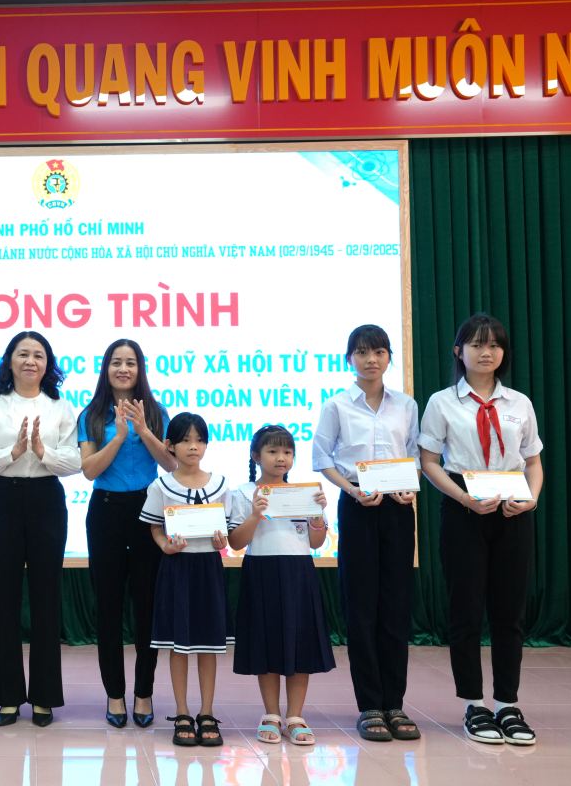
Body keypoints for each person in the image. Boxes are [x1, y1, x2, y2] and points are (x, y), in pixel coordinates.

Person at [419, 313, 543, 746]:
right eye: (476, 344)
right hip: (464, 510)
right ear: (459, 351)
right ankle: (474, 704)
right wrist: (464, 498)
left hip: (513, 510)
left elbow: (533, 461)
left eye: (493, 345)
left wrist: (532, 498)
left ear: (503, 352)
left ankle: (507, 703)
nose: (485, 352)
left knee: (510, 613)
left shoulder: (519, 403)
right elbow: (429, 461)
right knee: (466, 610)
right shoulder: (441, 402)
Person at [312, 324, 421, 742]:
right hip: (358, 506)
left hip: (398, 509)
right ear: (349, 359)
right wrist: (351, 489)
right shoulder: (337, 405)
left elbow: (415, 455)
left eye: (378, 351)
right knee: (361, 607)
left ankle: (395, 703)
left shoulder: (406, 405)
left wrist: (409, 486)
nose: (371, 359)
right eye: (362, 352)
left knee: (396, 605)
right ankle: (370, 705)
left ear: (389, 356)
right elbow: (322, 457)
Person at [0, 330, 81, 727]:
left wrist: (42, 452)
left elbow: (75, 462)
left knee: (46, 597)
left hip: (46, 499)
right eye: (23, 354)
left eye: (38, 355)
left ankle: (45, 697)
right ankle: (8, 696)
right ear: (9, 362)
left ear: (48, 364)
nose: (31, 361)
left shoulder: (60, 407)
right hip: (4, 498)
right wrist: (13, 452)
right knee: (5, 596)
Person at [77, 339, 174, 729]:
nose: (123, 369)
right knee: (109, 607)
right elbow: (89, 470)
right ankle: (115, 694)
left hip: (149, 511)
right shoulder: (91, 414)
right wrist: (117, 436)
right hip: (106, 511)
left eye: (130, 362)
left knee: (147, 606)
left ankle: (144, 692)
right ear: (106, 368)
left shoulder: (157, 411)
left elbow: (170, 464)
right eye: (116, 362)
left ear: (140, 369)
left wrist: (143, 430)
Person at [228, 425, 333, 746]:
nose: (281, 458)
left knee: (300, 644)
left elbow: (316, 541)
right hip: (261, 571)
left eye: (287, 452)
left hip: (298, 571)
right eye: (272, 451)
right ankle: (271, 714)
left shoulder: (304, 492)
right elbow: (236, 541)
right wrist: (255, 515)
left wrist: (318, 515)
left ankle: (296, 717)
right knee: (267, 642)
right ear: (256, 456)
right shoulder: (243, 493)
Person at [138, 412, 229, 747]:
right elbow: (154, 526)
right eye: (186, 440)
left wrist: (221, 542)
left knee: (207, 646)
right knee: (179, 646)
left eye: (200, 440)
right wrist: (166, 545)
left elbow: (227, 530)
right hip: (177, 568)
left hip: (208, 567)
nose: (193, 447)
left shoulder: (221, 484)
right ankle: (182, 712)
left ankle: (207, 712)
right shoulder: (161, 485)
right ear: (170, 445)